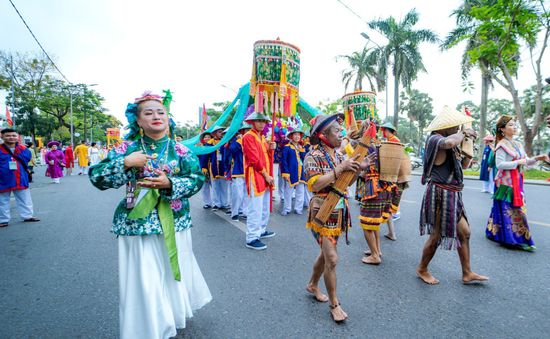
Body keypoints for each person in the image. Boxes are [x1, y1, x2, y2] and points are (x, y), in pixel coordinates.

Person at [89, 92, 211, 339]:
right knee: (145, 278)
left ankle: (173, 316)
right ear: (138, 121)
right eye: (148, 112)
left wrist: (170, 183)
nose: (156, 116)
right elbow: (97, 177)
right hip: (138, 224)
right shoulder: (127, 149)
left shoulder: (180, 150)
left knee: (171, 273)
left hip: (176, 221)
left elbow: (197, 179)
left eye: (160, 112)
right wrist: (126, 163)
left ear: (168, 118)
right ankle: (152, 327)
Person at [303, 113, 368, 322]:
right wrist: (340, 169)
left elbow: (346, 184)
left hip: (338, 212)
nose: (341, 134)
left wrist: (358, 170)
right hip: (321, 213)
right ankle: (334, 304)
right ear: (323, 135)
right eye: (336, 131)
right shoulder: (312, 156)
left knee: (325, 255)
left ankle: (313, 284)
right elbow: (314, 184)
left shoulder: (339, 156)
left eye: (341, 131)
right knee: (331, 258)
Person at [417, 106, 489, 285]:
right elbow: (448, 143)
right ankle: (422, 269)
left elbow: (464, 165)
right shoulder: (435, 139)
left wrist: (469, 145)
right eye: (455, 126)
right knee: (436, 236)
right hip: (440, 193)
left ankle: (467, 273)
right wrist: (464, 133)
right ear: (446, 126)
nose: (458, 128)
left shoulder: (453, 141)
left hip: (453, 194)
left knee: (464, 232)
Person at [486, 116, 549, 251]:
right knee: (510, 211)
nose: (514, 127)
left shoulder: (518, 144)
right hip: (506, 184)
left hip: (517, 181)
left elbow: (526, 161)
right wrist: (517, 162)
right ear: (502, 129)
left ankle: (493, 231)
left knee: (510, 208)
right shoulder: (501, 145)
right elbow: (500, 164)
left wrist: (538, 158)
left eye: (515, 125)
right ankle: (514, 239)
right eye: (510, 125)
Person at [242, 112, 276, 250]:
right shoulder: (248, 136)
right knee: (255, 207)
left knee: (264, 206)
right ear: (252, 122)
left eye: (264, 121)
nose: (262, 123)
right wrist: (266, 175)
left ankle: (261, 230)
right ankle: (251, 238)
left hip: (266, 175)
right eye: (259, 121)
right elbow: (254, 159)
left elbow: (266, 157)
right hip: (256, 175)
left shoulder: (262, 138)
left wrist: (271, 149)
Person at [0, 128, 40, 227]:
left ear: (17, 137)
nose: (11, 137)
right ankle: (3, 220)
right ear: (2, 136)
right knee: (2, 200)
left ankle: (27, 216)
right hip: (2, 179)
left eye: (14, 135)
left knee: (25, 198)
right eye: (8, 135)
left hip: (20, 177)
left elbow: (27, 159)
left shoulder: (23, 149)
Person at [227, 123, 251, 220]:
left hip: (250, 171)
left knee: (247, 193)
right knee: (237, 193)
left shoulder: (253, 141)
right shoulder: (237, 141)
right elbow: (232, 149)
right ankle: (235, 212)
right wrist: (240, 140)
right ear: (242, 132)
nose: (248, 132)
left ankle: (245, 211)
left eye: (249, 130)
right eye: (246, 130)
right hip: (238, 170)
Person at [280, 129, 307, 215]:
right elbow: (283, 161)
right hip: (291, 172)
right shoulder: (287, 147)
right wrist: (286, 173)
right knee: (288, 191)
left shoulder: (301, 147)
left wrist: (302, 150)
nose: (297, 136)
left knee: (300, 191)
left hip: (301, 172)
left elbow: (304, 159)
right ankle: (287, 208)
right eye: (295, 135)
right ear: (291, 137)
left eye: (298, 135)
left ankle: (298, 208)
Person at [208, 126, 230, 211]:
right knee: (215, 187)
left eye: (222, 132)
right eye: (219, 132)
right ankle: (216, 203)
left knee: (224, 186)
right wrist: (204, 167)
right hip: (213, 167)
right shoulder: (209, 144)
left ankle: (224, 203)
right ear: (214, 133)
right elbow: (205, 156)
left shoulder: (225, 142)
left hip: (223, 166)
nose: (221, 134)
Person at [198, 131, 214, 209]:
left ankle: (216, 202)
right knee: (205, 187)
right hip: (203, 170)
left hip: (213, 169)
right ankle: (207, 202)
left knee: (214, 186)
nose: (207, 138)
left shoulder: (213, 146)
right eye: (205, 137)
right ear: (203, 139)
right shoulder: (200, 148)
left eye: (208, 137)